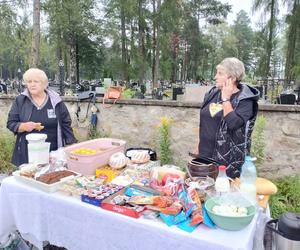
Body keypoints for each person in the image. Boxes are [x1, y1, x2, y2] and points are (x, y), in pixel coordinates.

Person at [198, 57, 259, 178]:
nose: (215, 77)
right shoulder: (212, 93)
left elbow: (234, 124)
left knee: (221, 193)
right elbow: (204, 122)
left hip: (226, 161)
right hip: (204, 155)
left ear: (232, 78)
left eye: (220, 73)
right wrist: (199, 145)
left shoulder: (245, 100)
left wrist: (226, 98)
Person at [7, 68, 77, 167]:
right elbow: (11, 123)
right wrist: (23, 126)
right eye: (29, 81)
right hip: (26, 153)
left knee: (50, 179)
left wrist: (72, 145)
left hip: (52, 153)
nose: (32, 84)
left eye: (36, 81)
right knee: (27, 179)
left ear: (45, 84)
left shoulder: (56, 101)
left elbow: (66, 123)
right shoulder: (20, 100)